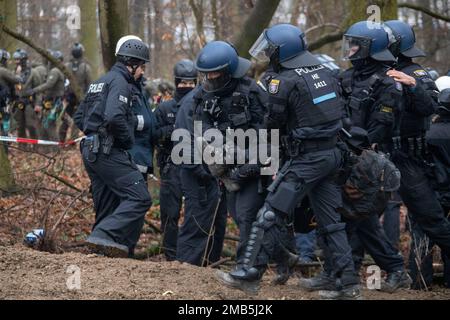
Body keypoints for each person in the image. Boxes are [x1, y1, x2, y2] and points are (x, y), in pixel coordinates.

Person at [216, 24, 360, 299]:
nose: (268, 54)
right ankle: (347, 283)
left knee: (269, 213)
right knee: (331, 222)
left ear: (283, 51)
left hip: (307, 160)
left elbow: (272, 125)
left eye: (271, 49)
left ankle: (249, 273)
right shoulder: (327, 72)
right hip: (332, 156)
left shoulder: (284, 81)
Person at [338, 21, 413, 293]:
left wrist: (357, 149)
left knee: (360, 218)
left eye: (356, 44)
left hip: (371, 161)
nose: (351, 49)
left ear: (371, 49)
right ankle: (344, 274)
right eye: (350, 43)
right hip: (345, 158)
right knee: (350, 218)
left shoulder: (388, 81)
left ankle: (391, 269)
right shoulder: (344, 77)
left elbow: (380, 127)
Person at [194, 41, 270, 276]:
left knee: (247, 215)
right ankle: (282, 256)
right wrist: (213, 144)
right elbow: (200, 123)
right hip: (225, 168)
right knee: (239, 215)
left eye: (215, 74)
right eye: (207, 74)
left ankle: (246, 269)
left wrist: (246, 162)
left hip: (253, 165)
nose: (210, 78)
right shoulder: (205, 95)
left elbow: (268, 134)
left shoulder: (252, 92)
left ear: (228, 72)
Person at [381, 20, 450, 279]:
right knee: (361, 214)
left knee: (429, 219)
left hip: (409, 157)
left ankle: (415, 277)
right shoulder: (378, 72)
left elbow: (430, 105)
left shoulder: (415, 72)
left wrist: (413, 85)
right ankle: (347, 275)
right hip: (380, 154)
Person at [74, 36, 152, 258]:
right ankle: (104, 234)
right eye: (142, 66)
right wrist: (127, 141)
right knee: (140, 197)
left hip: (91, 151)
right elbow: (115, 116)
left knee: (106, 204)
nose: (142, 72)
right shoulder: (121, 83)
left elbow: (80, 116)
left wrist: (94, 132)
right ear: (132, 63)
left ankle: (100, 253)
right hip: (108, 150)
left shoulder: (101, 81)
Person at [173, 74, 228, 267]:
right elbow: (184, 144)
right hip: (198, 174)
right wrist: (205, 171)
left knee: (217, 223)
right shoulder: (193, 102)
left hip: (216, 173)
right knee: (197, 222)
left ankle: (211, 264)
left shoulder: (216, 99)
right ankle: (187, 267)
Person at [154, 59, 197, 260]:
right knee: (169, 214)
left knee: (195, 213)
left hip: (196, 167)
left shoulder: (202, 106)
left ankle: (191, 255)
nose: (187, 87)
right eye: (183, 83)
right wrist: (175, 131)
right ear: (176, 82)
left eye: (191, 83)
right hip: (171, 166)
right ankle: (170, 255)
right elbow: (153, 135)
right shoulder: (165, 108)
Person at [24, 50, 65, 142]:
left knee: (50, 124)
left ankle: (55, 149)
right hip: (52, 102)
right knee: (46, 124)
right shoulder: (56, 70)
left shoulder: (55, 71)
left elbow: (48, 85)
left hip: (55, 102)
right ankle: (48, 148)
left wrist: (34, 90)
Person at [60, 43, 92, 141]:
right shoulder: (86, 67)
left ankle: (62, 140)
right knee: (75, 120)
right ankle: (71, 141)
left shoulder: (66, 66)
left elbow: (63, 82)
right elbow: (89, 84)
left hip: (71, 97)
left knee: (66, 118)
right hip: (79, 98)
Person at [11, 49, 42, 141]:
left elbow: (39, 90)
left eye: (18, 59)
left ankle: (36, 146)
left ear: (23, 60)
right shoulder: (14, 73)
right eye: (15, 59)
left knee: (31, 125)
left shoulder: (33, 72)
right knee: (20, 126)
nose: (16, 62)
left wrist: (38, 104)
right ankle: (23, 147)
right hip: (18, 103)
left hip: (30, 102)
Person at [0, 49, 21, 137]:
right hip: (3, 101)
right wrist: (18, 73)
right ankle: (5, 146)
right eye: (6, 60)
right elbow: (17, 80)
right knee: (6, 123)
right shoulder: (3, 70)